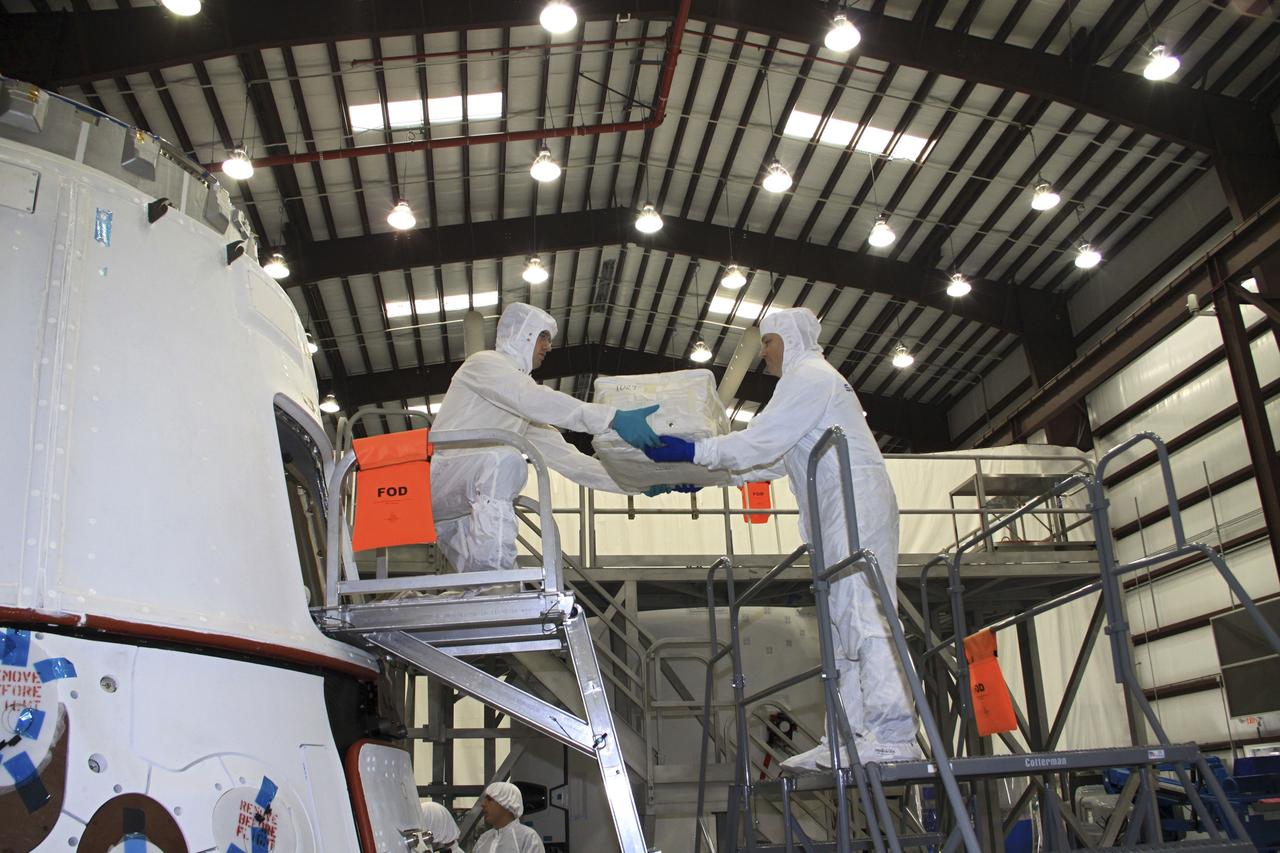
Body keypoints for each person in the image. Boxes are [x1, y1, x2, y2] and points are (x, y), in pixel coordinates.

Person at [643, 307, 920, 769]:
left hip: (854, 503)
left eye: (768, 343)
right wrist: (705, 475)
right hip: (838, 506)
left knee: (863, 614)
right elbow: (772, 461)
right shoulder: (804, 385)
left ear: (788, 340)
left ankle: (894, 733)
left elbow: (761, 442)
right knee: (840, 624)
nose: (764, 354)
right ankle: (850, 738)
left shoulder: (809, 377)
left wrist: (698, 451)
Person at [430, 302, 662, 579]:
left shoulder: (518, 415)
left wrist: (636, 482)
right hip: (443, 479)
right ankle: (496, 576)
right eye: (544, 337)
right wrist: (611, 418)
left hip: (465, 507)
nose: (549, 347)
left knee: (484, 595)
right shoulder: (485, 364)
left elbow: (572, 461)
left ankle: (493, 584)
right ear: (523, 334)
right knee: (505, 460)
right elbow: (531, 398)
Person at [473, 782, 544, 853]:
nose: (483, 804)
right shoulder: (483, 840)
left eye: (489, 799)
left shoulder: (528, 838)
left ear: (507, 803)